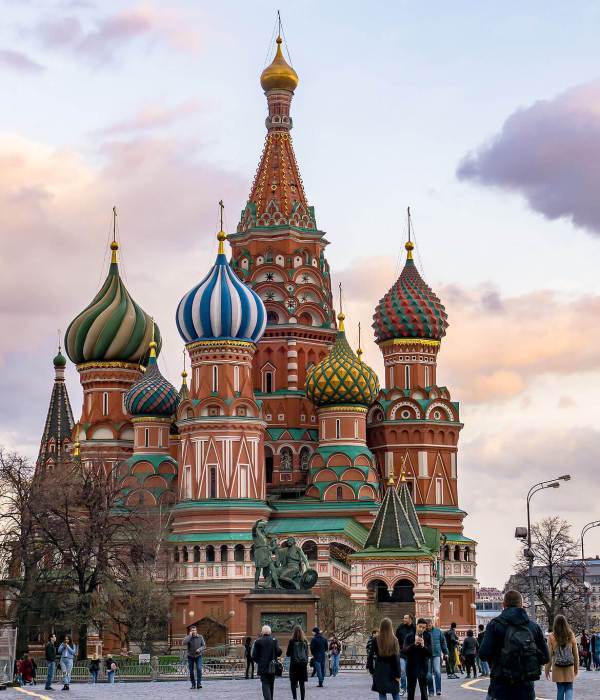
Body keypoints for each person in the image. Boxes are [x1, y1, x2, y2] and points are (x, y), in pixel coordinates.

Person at [479, 589, 549, 700]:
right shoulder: (533, 627)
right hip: (526, 690)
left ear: (503, 605)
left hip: (500, 688)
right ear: (522, 605)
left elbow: (483, 654)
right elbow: (546, 657)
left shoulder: (494, 625)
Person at [545, 614, 578, 700]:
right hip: (569, 666)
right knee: (569, 688)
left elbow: (549, 655)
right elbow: (575, 654)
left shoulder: (551, 636)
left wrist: (547, 670)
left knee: (560, 689)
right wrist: (576, 668)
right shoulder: (570, 635)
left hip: (557, 667)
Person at [367, 617, 401, 700]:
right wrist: (398, 674)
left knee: (382, 694)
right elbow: (397, 658)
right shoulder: (394, 640)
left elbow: (370, 655)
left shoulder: (376, 639)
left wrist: (371, 670)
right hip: (392, 669)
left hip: (380, 669)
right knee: (395, 693)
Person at [403, 618, 432, 700]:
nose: (422, 629)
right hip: (411, 667)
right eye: (420, 627)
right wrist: (414, 644)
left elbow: (430, 652)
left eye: (424, 628)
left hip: (423, 667)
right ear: (416, 626)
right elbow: (404, 651)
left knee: (424, 691)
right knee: (411, 691)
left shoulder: (427, 636)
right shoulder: (409, 636)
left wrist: (424, 646)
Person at [252, 624, 282, 700]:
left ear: (262, 632)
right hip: (272, 667)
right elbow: (279, 652)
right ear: (270, 632)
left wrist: (260, 662)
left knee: (265, 685)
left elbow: (254, 656)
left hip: (263, 668)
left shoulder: (258, 641)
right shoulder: (274, 640)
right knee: (271, 685)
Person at [425, 619, 448, 696]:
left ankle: (438, 690)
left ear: (432, 624)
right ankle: (431, 691)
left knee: (437, 672)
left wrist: (446, 652)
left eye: (429, 625)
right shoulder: (423, 632)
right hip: (427, 655)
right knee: (428, 675)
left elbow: (443, 642)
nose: (428, 627)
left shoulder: (438, 631)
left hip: (436, 654)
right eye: (427, 626)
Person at [287, 625, 309, 700]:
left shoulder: (291, 641)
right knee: (302, 683)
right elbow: (307, 653)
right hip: (302, 665)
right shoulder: (305, 641)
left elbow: (288, 653)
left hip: (294, 665)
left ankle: (295, 698)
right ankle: (302, 698)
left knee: (293, 683)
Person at [395, 614, 416, 693]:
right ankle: (403, 688)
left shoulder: (415, 628)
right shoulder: (400, 628)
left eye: (405, 618)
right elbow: (396, 640)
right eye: (403, 618)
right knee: (403, 671)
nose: (403, 619)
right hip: (402, 653)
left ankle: (410, 688)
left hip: (412, 654)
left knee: (410, 673)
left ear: (410, 619)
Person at [183, 624, 206, 689]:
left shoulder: (200, 637)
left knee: (199, 669)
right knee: (191, 671)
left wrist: (200, 649)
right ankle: (193, 684)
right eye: (192, 630)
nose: (193, 631)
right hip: (190, 656)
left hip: (198, 656)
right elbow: (184, 642)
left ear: (196, 631)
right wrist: (189, 636)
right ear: (191, 631)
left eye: (194, 630)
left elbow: (204, 646)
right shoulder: (188, 637)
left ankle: (199, 684)